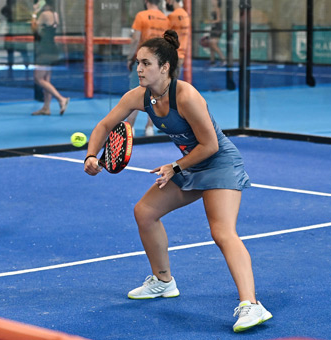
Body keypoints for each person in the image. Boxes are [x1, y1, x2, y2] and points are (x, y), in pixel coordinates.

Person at [83, 30, 272, 333]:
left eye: (146, 63)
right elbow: (106, 124)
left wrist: (174, 166)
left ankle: (252, 304)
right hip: (187, 165)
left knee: (222, 231)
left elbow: (210, 145)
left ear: (165, 67)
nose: (139, 69)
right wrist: (91, 155)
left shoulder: (186, 96)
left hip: (219, 163)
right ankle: (163, 281)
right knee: (145, 212)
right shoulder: (139, 96)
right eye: (138, 63)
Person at [125, 0, 170, 136]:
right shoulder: (165, 19)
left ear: (146, 1)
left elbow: (135, 39)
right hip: (158, 61)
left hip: (143, 60)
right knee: (154, 94)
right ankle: (149, 128)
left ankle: (130, 128)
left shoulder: (141, 16)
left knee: (134, 92)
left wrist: (130, 57)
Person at [31, 0, 69, 115]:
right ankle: (46, 107)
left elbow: (34, 29)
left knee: (38, 78)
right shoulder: (55, 14)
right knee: (46, 79)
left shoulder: (43, 14)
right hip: (52, 47)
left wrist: (34, 13)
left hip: (45, 49)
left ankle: (61, 99)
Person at [165, 0, 190, 79]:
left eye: (167, 1)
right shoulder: (185, 15)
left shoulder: (172, 16)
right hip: (181, 54)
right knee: (174, 81)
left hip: (172, 54)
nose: (167, 3)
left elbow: (164, 35)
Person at [205, 0, 226, 66]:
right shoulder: (214, 8)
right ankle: (212, 61)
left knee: (213, 44)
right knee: (211, 44)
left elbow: (218, 20)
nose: (212, 1)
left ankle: (223, 59)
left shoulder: (217, 9)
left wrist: (210, 21)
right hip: (214, 28)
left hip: (217, 29)